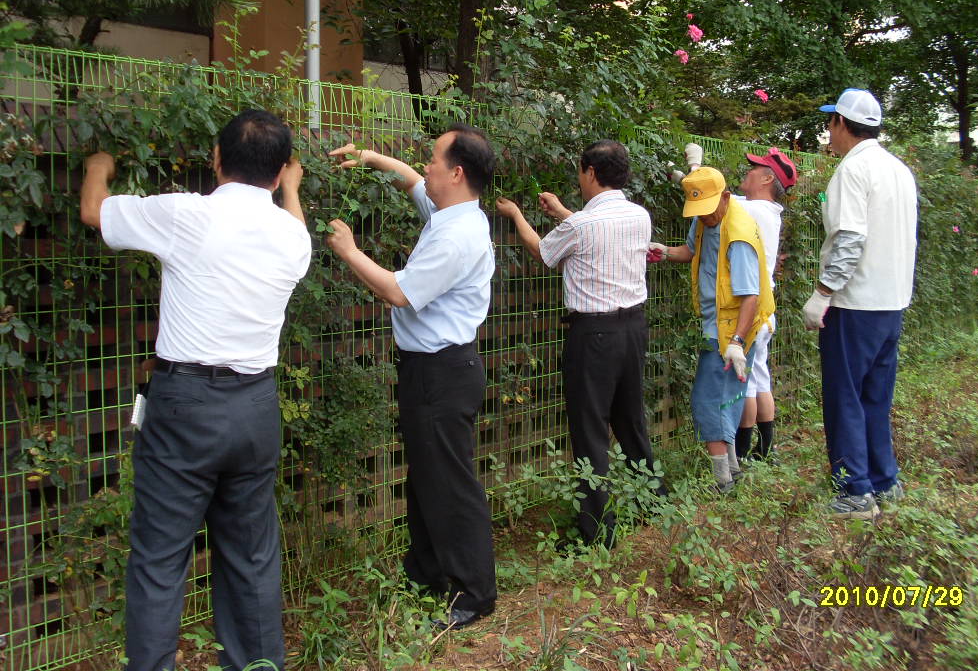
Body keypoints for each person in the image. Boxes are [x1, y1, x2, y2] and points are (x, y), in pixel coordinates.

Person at [79, 109, 311, 671]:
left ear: (215, 159)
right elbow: (294, 222)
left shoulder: (186, 215)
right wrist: (293, 191)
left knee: (160, 560)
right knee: (253, 559)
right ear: (280, 173)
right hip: (256, 407)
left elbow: (94, 211)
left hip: (184, 406)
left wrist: (99, 163)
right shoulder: (293, 236)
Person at [325, 126, 497, 629]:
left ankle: (475, 592)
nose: (425, 166)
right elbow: (409, 181)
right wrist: (371, 157)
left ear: (457, 172)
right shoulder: (451, 214)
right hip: (432, 370)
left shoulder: (458, 236)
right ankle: (426, 575)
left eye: (433, 160)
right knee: (426, 479)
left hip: (443, 373)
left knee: (450, 482)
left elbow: (398, 293)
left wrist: (349, 250)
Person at [496, 139, 666, 550]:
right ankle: (656, 507)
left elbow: (544, 252)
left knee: (589, 430)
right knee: (630, 420)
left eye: (580, 171)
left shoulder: (581, 226)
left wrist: (517, 214)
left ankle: (596, 534)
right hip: (633, 328)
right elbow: (596, 238)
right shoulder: (638, 216)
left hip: (593, 336)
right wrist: (561, 212)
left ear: (590, 172)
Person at [802, 88, 917, 520]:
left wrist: (823, 293)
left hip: (855, 303)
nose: (828, 132)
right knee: (874, 398)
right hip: (891, 303)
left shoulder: (853, 171)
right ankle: (884, 481)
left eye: (830, 122)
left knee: (845, 396)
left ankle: (854, 492)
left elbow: (849, 239)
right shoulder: (897, 170)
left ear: (840, 124)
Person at [648, 166, 774, 493]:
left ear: (727, 197)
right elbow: (691, 252)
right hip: (717, 327)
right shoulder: (706, 214)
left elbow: (751, 296)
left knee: (706, 401)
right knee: (724, 401)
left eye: (706, 211)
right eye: (698, 212)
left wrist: (735, 342)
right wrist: (664, 252)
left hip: (731, 332)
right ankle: (732, 472)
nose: (702, 217)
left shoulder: (739, 234)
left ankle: (722, 484)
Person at [733, 148, 799, 463]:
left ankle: (742, 455)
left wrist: (688, 172)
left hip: (751, 307)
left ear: (768, 178)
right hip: (766, 307)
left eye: (755, 168)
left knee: (743, 382)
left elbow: (713, 200)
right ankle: (766, 449)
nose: (747, 171)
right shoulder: (766, 210)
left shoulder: (753, 211)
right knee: (760, 374)